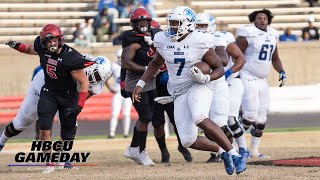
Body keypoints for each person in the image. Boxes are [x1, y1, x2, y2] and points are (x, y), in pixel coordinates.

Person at [132, 6, 246, 175]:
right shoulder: (163, 39)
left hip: (198, 84)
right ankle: (223, 152)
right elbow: (155, 63)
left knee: (199, 117)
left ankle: (235, 154)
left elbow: (218, 68)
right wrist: (141, 83)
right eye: (170, 23)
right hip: (178, 91)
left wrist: (207, 78)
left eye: (176, 23)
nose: (172, 27)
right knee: (187, 140)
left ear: (188, 24)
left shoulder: (199, 40)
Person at [4, 24, 96, 173]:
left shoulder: (71, 57)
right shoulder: (41, 48)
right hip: (49, 92)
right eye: (48, 41)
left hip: (68, 96)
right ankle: (50, 163)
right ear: (43, 42)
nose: (52, 43)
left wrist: (79, 105)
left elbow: (84, 82)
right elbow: (28, 48)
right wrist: (16, 45)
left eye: (55, 40)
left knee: (67, 133)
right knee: (44, 129)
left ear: (61, 39)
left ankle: (65, 160)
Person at [195, 13, 247, 162]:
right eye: (197, 25)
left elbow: (232, 59)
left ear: (211, 26)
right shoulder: (190, 39)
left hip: (218, 84)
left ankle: (234, 152)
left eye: (203, 26)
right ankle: (222, 152)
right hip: (199, 85)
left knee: (220, 123)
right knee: (204, 124)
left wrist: (230, 71)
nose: (199, 29)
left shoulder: (219, 39)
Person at [235, 9, 286, 158]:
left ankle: (254, 151)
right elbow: (235, 54)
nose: (262, 20)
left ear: (268, 20)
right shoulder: (247, 33)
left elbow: (275, 58)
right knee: (250, 115)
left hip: (262, 80)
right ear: (253, 20)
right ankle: (235, 147)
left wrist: (281, 71)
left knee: (262, 117)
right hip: (247, 75)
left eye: (264, 18)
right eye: (259, 18)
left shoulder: (272, 34)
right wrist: (234, 73)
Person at [121, 8, 159, 166]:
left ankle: (133, 148)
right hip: (136, 82)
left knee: (148, 115)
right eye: (139, 21)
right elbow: (126, 62)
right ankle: (141, 151)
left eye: (145, 21)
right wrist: (147, 70)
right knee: (145, 117)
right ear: (133, 24)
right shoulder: (133, 41)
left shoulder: (153, 35)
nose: (143, 24)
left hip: (150, 81)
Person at [106, 49, 132, 138]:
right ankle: (112, 133)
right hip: (117, 92)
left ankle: (126, 133)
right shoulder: (113, 66)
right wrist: (110, 88)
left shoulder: (130, 64)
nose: (120, 59)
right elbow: (105, 77)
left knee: (126, 114)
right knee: (114, 113)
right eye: (119, 57)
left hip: (127, 92)